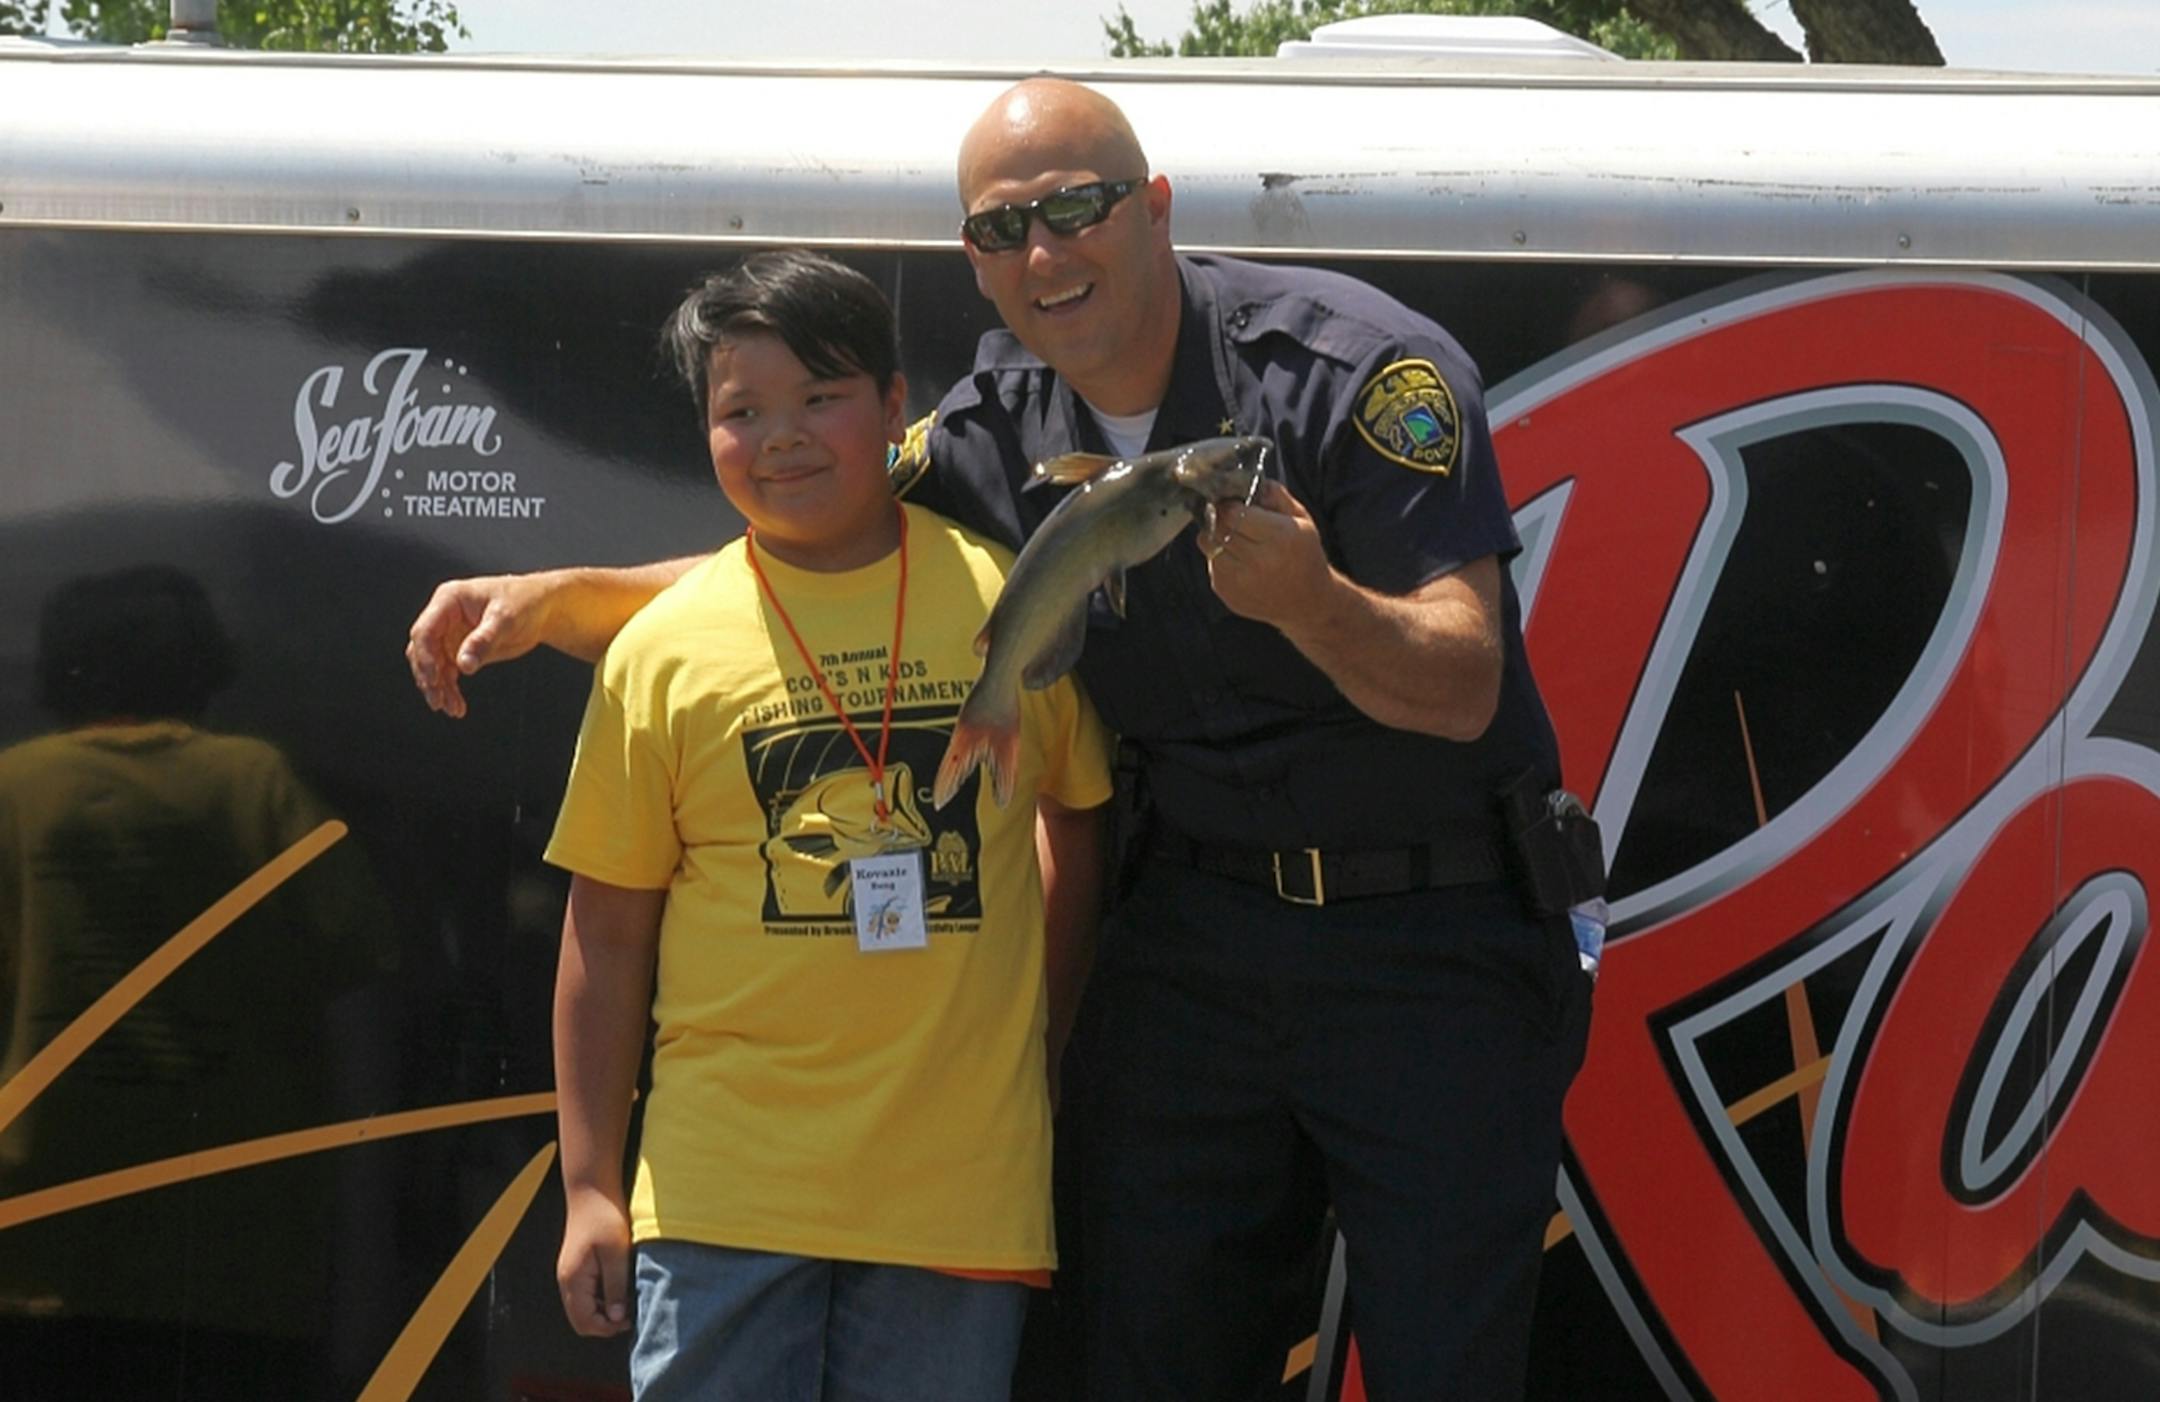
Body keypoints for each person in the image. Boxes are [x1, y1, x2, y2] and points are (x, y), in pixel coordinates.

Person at [412, 80, 1590, 1401]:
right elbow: (810, 549)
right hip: (1194, 943)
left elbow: (1464, 683)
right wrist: (555, 599)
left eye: (1076, 210)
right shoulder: (995, 421)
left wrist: (1313, 600)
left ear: (1152, 207)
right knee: (1146, 1357)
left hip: (1430, 941)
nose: (1043, 255)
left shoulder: (1355, 369)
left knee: (1447, 1359)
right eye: (999, 229)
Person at [542, 250, 1111, 1402]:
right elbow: (604, 934)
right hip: (719, 1202)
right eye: (740, 411)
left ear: (897, 408)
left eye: (821, 398)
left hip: (958, 1193)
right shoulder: (660, 649)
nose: (782, 437)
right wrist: (593, 1184)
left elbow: (1077, 823)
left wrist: (1036, 1046)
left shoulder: (1004, 595)